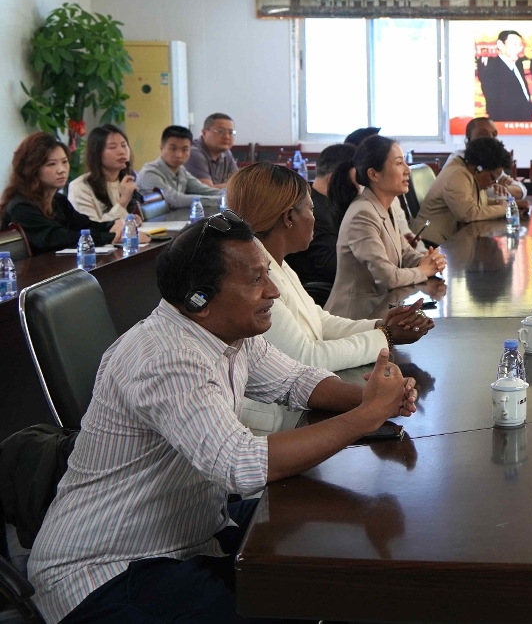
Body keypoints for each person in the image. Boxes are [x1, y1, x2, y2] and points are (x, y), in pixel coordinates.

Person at [26, 213, 418, 624]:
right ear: (199, 299)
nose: (272, 291)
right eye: (255, 280)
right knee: (294, 596)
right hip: (109, 569)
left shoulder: (229, 333)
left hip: (191, 532)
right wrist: (366, 416)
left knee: (328, 552)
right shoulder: (167, 358)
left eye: (268, 275)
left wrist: (373, 397)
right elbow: (240, 464)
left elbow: (296, 381)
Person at [225, 162, 435, 431]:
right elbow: (306, 357)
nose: (315, 218)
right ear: (289, 218)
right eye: (311, 209)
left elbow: (320, 321)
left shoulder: (276, 262)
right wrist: (386, 337)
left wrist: (381, 326)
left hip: (301, 406)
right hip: (274, 426)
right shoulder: (253, 277)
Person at [327, 136, 447, 320]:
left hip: (381, 309)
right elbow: (388, 277)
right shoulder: (362, 214)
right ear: (374, 174)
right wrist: (424, 270)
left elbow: (405, 253)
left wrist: (429, 260)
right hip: (355, 319)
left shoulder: (386, 207)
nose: (408, 170)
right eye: (399, 163)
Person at [1, 133, 141, 255]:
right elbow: (57, 238)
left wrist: (116, 226)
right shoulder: (21, 206)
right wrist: (111, 236)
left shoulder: (58, 200)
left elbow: (84, 225)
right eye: (51, 164)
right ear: (31, 169)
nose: (61, 170)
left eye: (64, 162)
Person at [415, 137, 523, 244]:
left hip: (449, 242)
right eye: (492, 177)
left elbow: (481, 202)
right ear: (479, 168)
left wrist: (507, 204)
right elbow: (468, 213)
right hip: (428, 244)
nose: (493, 183)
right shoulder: (457, 175)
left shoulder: (471, 173)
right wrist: (505, 209)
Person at [284, 143, 354, 288]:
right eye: (356, 180)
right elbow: (334, 268)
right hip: (323, 292)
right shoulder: (312, 212)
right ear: (333, 179)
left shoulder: (325, 203)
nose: (359, 188)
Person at [136, 125, 224, 209]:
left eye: (184, 150)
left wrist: (228, 195)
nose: (178, 155)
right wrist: (221, 200)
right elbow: (176, 200)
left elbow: (204, 190)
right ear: (161, 148)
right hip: (150, 220)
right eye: (173, 149)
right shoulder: (149, 173)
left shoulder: (181, 170)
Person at [67, 125, 139, 223]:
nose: (122, 152)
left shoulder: (125, 181)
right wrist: (123, 201)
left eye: (124, 145)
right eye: (112, 147)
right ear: (97, 153)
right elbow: (91, 228)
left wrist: (130, 220)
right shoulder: (80, 187)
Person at [458, 117, 526, 200]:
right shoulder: (459, 160)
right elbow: (480, 192)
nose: (490, 138)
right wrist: (503, 195)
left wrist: (504, 188)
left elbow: (522, 190)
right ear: (468, 139)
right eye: (483, 134)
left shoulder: (490, 160)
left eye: (494, 135)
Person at [477, 30, 532, 122]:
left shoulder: (518, 64)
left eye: (520, 45)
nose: (519, 49)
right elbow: (497, 108)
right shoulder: (491, 72)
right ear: (500, 45)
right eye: (514, 44)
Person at [185, 113, 238, 188]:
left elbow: (239, 181)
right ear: (204, 133)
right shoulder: (194, 153)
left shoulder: (226, 152)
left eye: (231, 132)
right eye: (220, 131)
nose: (227, 137)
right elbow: (206, 190)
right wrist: (234, 186)